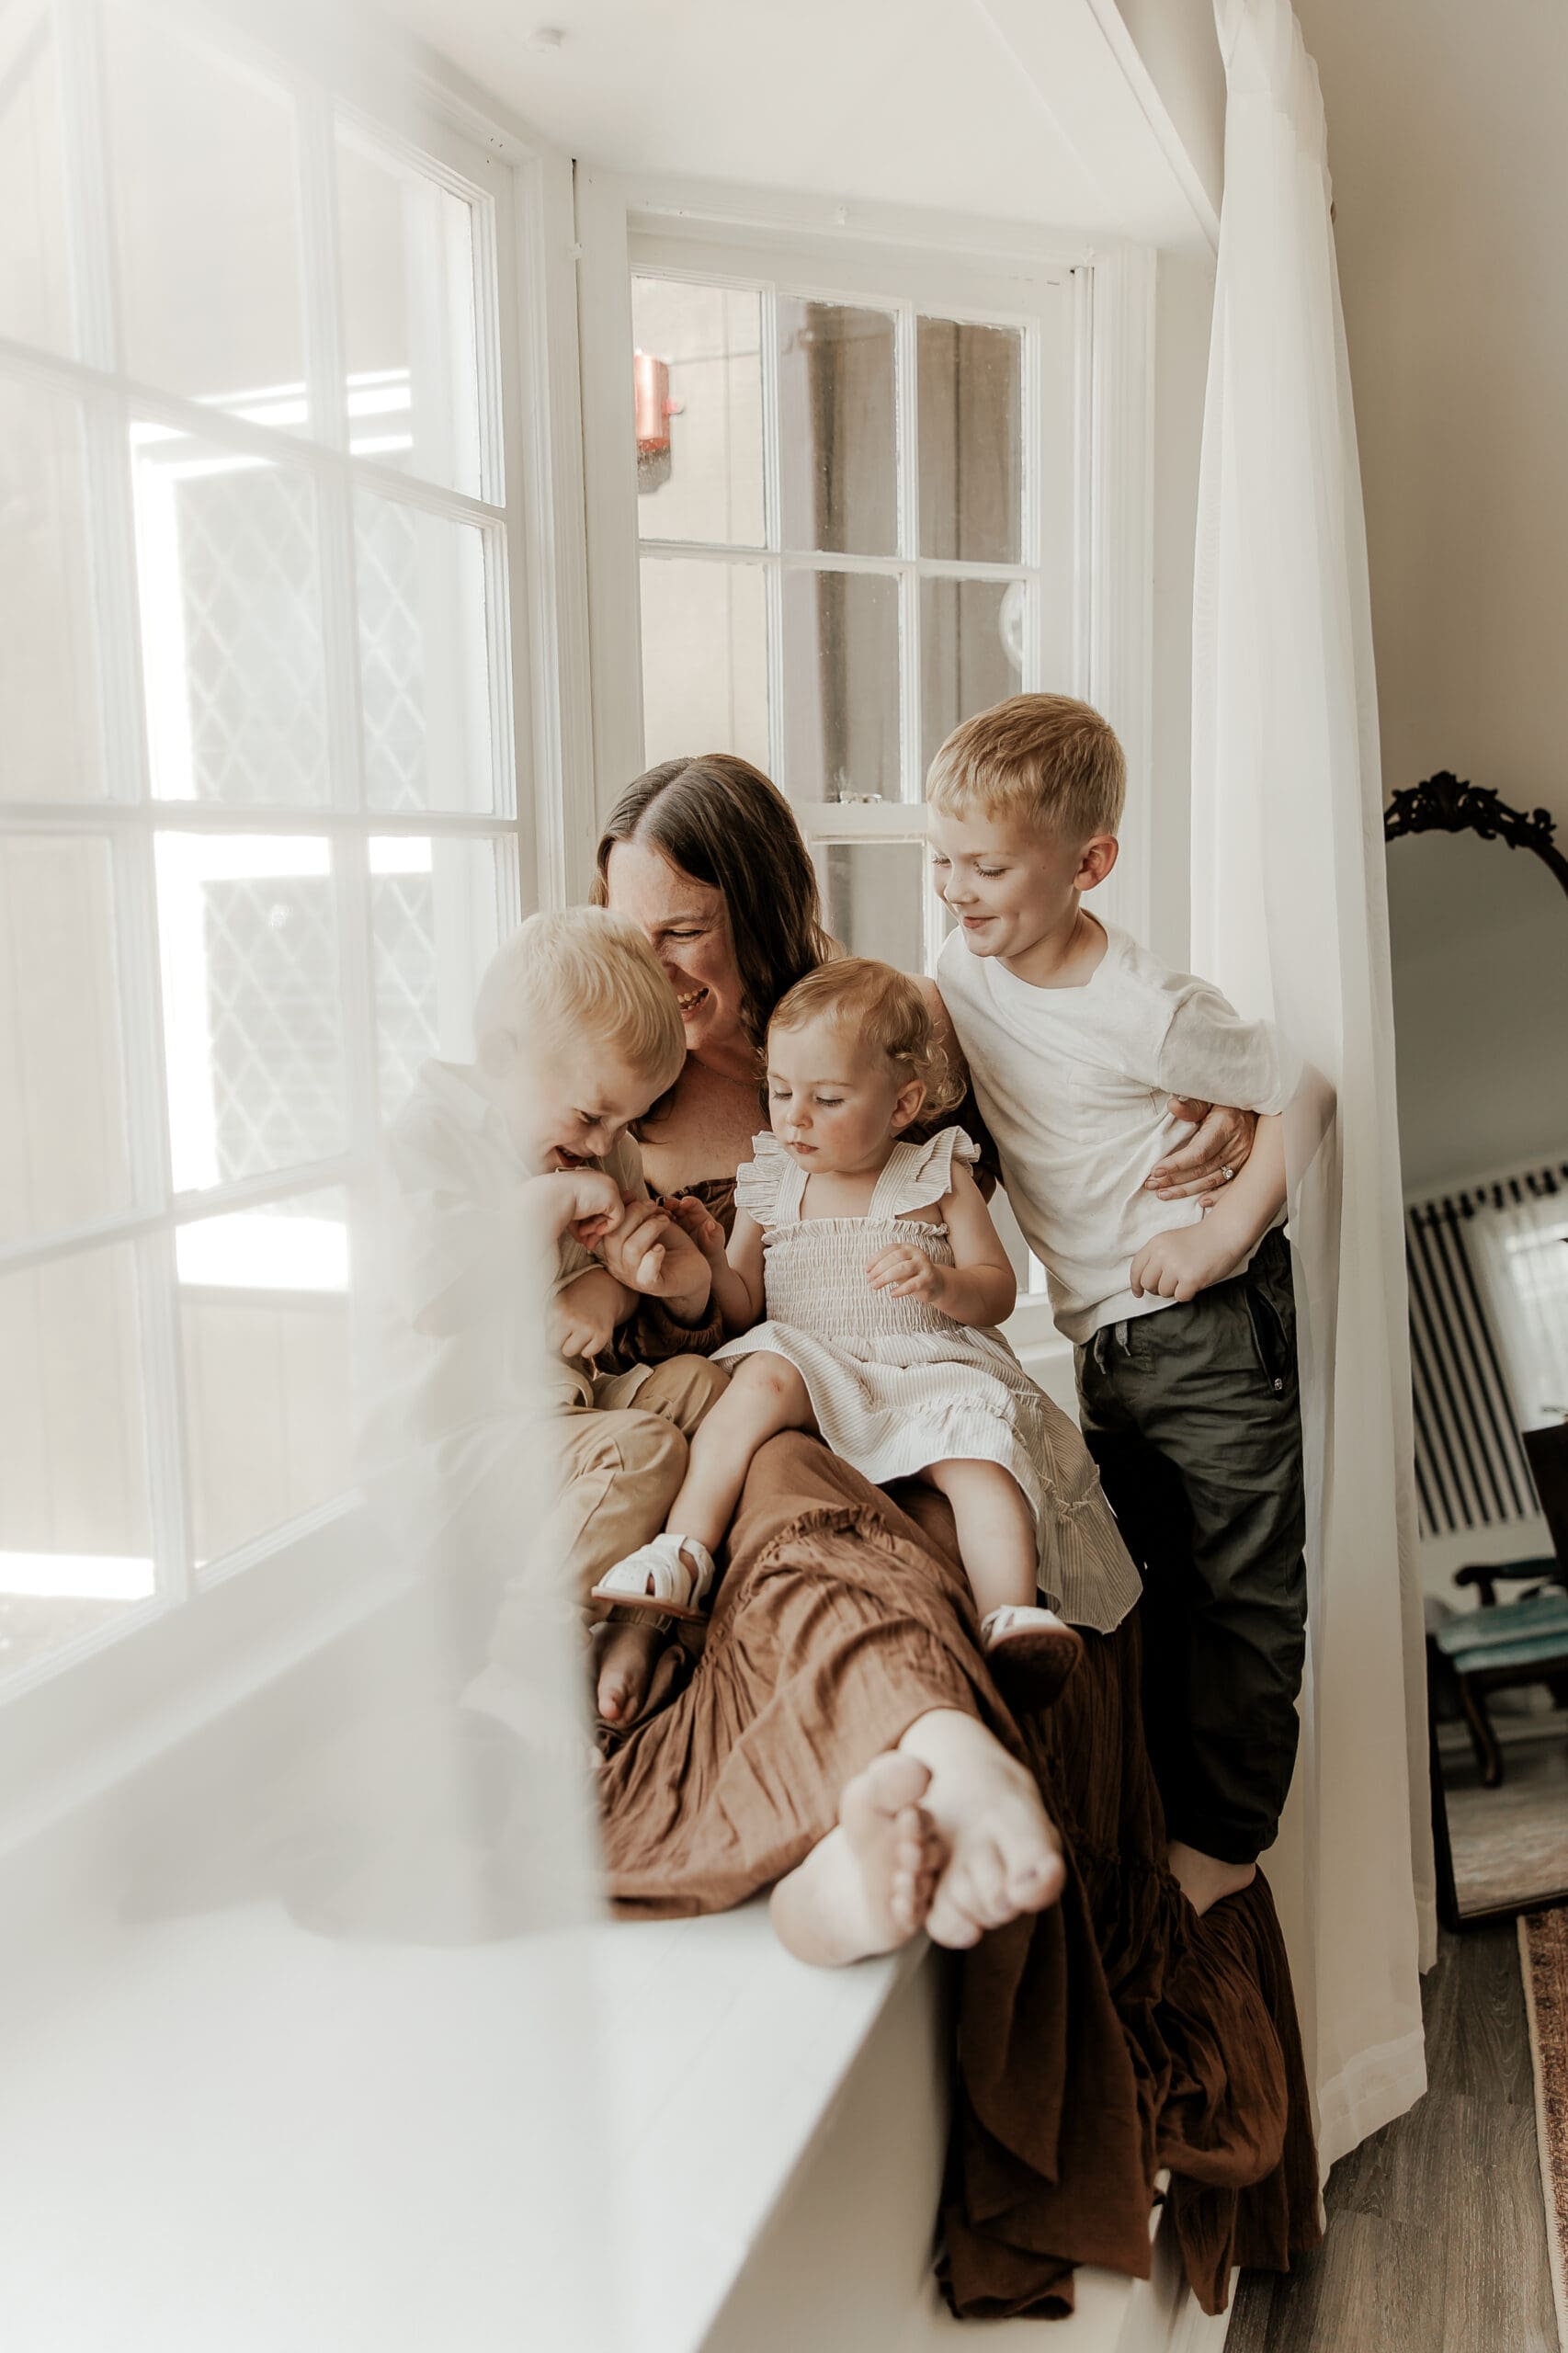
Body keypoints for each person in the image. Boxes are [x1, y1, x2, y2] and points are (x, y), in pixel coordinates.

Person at [588, 756, 1319, 2318]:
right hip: (766, 1420)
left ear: (762, 907)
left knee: (937, 1518)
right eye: (625, 936)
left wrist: (1219, 1124)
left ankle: (955, 1761)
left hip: (919, 1394)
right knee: (789, 1506)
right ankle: (881, 1814)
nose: (656, 976)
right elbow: (681, 1317)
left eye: (683, 934)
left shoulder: (894, 1029)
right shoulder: (608, 1106)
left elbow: (1070, 1102)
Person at [926, 693, 1312, 1919]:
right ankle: (1154, 1819)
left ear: (1087, 863)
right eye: (940, 861)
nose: (956, 890)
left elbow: (1303, 1092)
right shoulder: (957, 968)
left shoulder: (1148, 1005)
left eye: (985, 866)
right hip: (1104, 1346)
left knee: (1240, 1596)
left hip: (1205, 1327)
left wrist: (1220, 1228)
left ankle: (1226, 1846)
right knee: (1147, 1586)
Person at [594, 957, 1108, 1702]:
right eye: (780, 1093)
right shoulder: (774, 1179)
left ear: (902, 1105)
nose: (794, 1117)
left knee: (982, 1453)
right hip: (818, 1363)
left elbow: (997, 1290)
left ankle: (1010, 1616)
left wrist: (943, 1284)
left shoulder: (937, 1174)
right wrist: (710, 1252)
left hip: (925, 1366)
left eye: (827, 1099)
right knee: (760, 1381)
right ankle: (682, 1549)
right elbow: (744, 1306)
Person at [358, 904, 729, 1736]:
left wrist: (620, 1286)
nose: (604, 1146)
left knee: (707, 1390)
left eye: (626, 1125)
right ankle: (526, 1655)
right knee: (647, 1449)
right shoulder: (430, 1137)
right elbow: (438, 1293)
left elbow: (620, 1258)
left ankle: (641, 1624)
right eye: (592, 1117)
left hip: (561, 1417)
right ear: (501, 1059)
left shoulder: (598, 1146)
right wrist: (548, 1202)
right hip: (458, 1441)